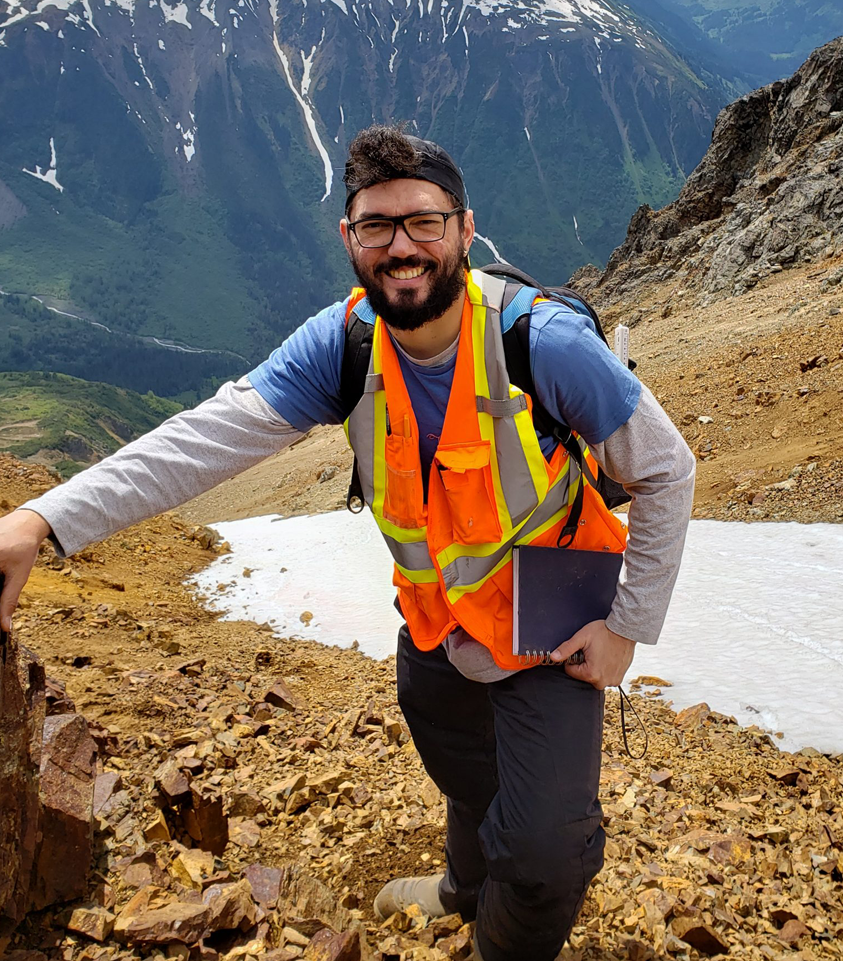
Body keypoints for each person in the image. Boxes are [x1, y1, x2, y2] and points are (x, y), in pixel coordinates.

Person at [0, 125, 694, 961]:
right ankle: (462, 891)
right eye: (378, 227)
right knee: (471, 784)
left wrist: (626, 626)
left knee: (546, 851)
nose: (403, 248)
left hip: (550, 635)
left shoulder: (540, 343)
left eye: (424, 223)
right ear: (349, 240)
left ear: (466, 230)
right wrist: (43, 520)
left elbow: (666, 467)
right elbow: (201, 440)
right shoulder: (345, 344)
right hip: (435, 631)